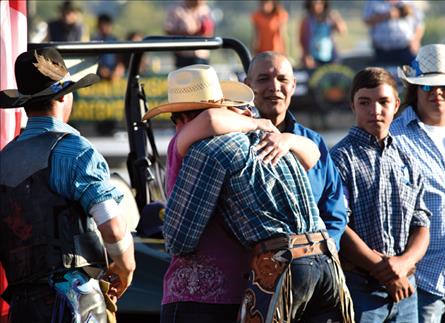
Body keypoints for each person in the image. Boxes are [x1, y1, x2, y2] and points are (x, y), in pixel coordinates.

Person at [143, 64, 323, 323]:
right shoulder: (238, 141)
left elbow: (210, 121)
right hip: (251, 289)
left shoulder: (193, 142)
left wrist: (283, 137)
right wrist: (262, 125)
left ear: (180, 118)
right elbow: (211, 120)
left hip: (201, 295)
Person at [0, 47, 136, 322]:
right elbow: (111, 226)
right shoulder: (76, 150)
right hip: (76, 302)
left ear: (26, 103)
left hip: (22, 306)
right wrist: (125, 269)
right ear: (64, 96)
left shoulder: (4, 158)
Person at [330, 67, 431, 322]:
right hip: (361, 287)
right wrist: (383, 270)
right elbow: (338, 225)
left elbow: (421, 222)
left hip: (406, 287)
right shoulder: (341, 159)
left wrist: (403, 265)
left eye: (383, 102)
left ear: (396, 105)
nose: (375, 111)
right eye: (365, 102)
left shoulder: (407, 158)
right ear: (352, 105)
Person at [390, 44, 445, 323]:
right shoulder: (394, 136)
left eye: (444, 86)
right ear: (414, 90)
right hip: (420, 277)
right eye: (427, 87)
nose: (437, 92)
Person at [244, 51, 348, 252]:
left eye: (282, 79)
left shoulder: (313, 141)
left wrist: (323, 252)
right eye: (264, 79)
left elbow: (335, 213)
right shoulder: (237, 141)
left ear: (293, 85)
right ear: (248, 85)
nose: (274, 87)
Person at [363, 0, 425, 66]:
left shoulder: (409, 2)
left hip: (406, 49)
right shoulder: (373, 1)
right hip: (382, 50)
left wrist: (415, 41)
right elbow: (367, 21)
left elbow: (419, 24)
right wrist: (386, 15)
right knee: (382, 75)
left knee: (413, 72)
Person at [165, 0, 215, 68]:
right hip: (184, 56)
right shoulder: (176, 9)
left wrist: (206, 31)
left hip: (202, 55)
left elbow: (210, 32)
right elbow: (169, 30)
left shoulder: (205, 9)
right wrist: (188, 35)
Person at [299, 0, 347, 68]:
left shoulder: (330, 17)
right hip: (313, 58)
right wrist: (307, 55)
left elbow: (342, 31)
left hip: (330, 57)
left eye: (320, 3)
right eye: (314, 3)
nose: (317, 6)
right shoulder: (307, 20)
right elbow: (302, 40)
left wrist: (336, 18)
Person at [92, 13, 125, 81]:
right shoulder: (94, 41)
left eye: (106, 25)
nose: (104, 27)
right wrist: (101, 70)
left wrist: (117, 71)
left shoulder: (115, 40)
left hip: (114, 75)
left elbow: (120, 60)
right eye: (102, 25)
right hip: (98, 74)